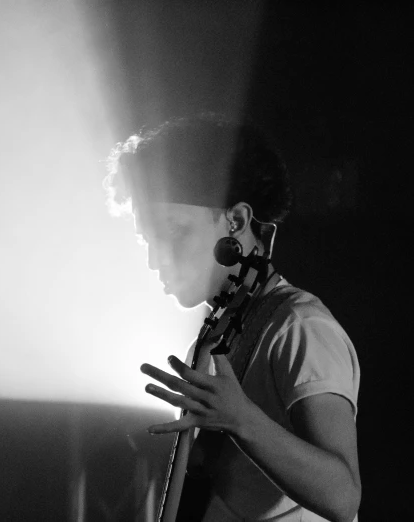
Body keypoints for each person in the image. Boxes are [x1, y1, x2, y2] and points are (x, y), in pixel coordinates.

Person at [104, 114, 361, 522]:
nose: (155, 260)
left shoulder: (299, 327)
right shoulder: (213, 340)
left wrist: (241, 419)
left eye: (173, 232)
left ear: (236, 221)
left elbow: (343, 496)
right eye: (147, 240)